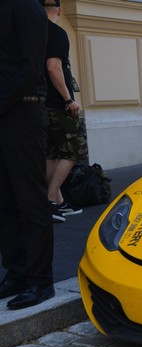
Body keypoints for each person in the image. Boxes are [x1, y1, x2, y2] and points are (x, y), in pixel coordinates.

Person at [0, 0, 56, 309]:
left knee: (29, 199)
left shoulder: (27, 6)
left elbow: (31, 66)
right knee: (5, 201)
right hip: (5, 112)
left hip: (23, 112)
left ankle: (40, 281)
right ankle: (17, 273)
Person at [42, 0, 87, 222]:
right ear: (59, 10)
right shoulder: (57, 32)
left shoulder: (34, 32)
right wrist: (69, 99)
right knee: (75, 150)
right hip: (58, 104)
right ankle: (50, 200)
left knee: (51, 154)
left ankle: (58, 202)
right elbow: (54, 66)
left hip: (39, 103)